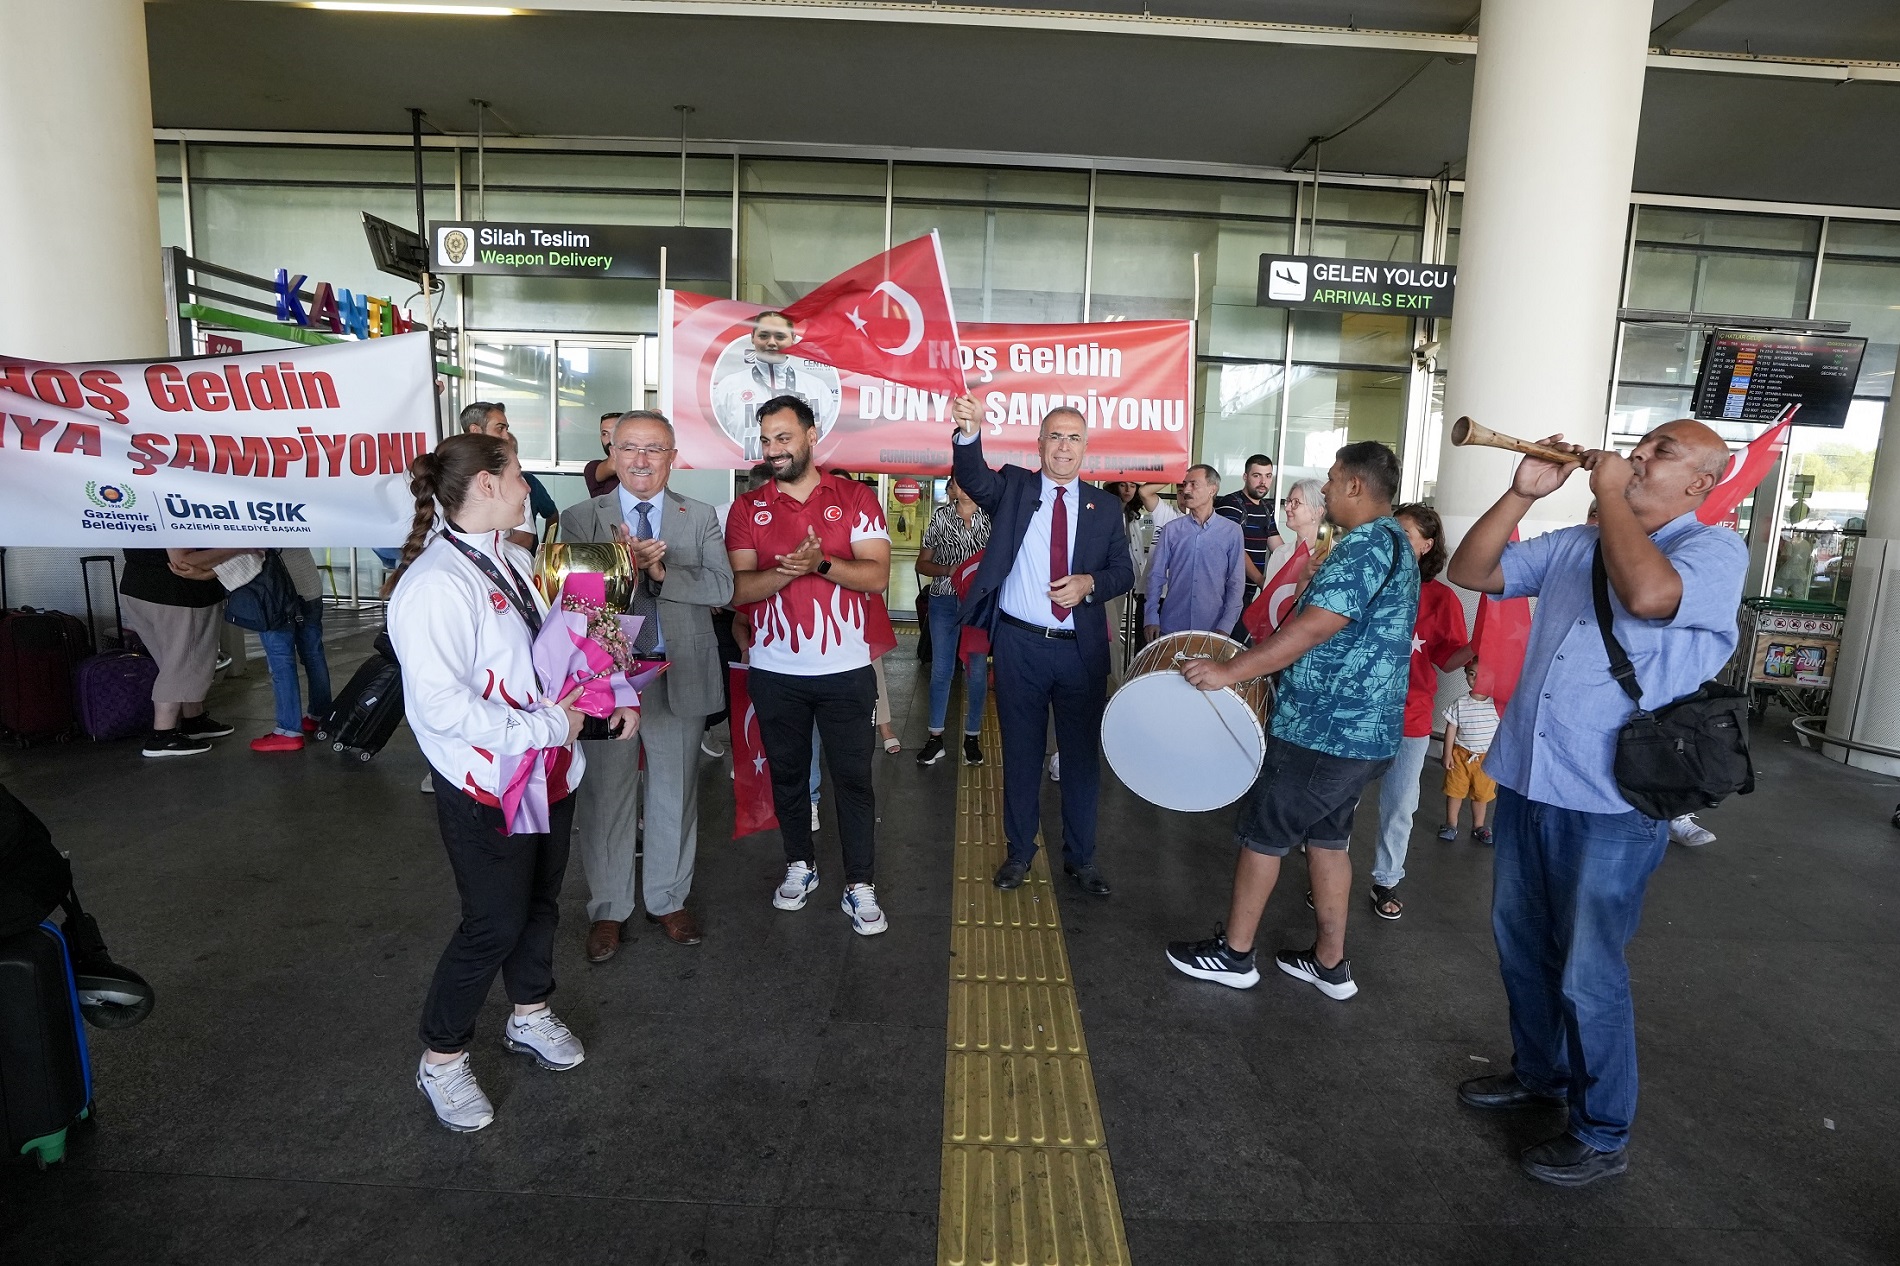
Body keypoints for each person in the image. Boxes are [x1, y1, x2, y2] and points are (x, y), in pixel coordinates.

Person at [1446, 417, 1747, 1187]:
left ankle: (1603, 1131)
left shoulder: (1711, 550)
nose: (1639, 457)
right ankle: (1540, 1075)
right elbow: (1472, 571)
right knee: (1521, 945)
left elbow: (1647, 595)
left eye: (1661, 454)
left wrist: (1611, 488)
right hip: (1529, 780)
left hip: (1614, 802)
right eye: (1637, 447)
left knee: (1588, 969)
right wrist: (1519, 496)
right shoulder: (1578, 545)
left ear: (1700, 485)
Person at [385, 432, 639, 1134]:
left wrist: (605, 693)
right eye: (520, 473)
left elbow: (554, 650)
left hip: (542, 776)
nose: (529, 486)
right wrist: (551, 729)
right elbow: (440, 712)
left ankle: (529, 1012)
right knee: (490, 923)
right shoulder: (435, 585)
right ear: (489, 486)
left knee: (538, 905)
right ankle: (441, 1056)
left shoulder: (513, 560)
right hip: (488, 785)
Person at [1164, 441, 1417, 1002]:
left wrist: (1229, 671)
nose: (1324, 491)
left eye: (1331, 480)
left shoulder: (1364, 547)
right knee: (1327, 840)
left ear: (1355, 485)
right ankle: (1330, 964)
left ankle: (1234, 955)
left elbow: (1311, 630)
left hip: (1323, 730)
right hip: (1365, 734)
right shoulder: (1395, 541)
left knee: (1263, 834)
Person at [560, 410, 734, 958]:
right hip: (608, 680)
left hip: (675, 670)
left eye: (654, 449)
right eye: (630, 448)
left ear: (672, 456)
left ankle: (666, 898)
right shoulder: (580, 517)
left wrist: (661, 574)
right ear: (612, 453)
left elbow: (722, 588)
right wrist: (621, 568)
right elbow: (573, 603)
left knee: (674, 790)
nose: (640, 460)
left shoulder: (698, 514)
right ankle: (608, 908)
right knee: (605, 795)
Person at [949, 396, 1133, 897]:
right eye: (1056, 436)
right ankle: (1019, 852)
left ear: (1085, 448)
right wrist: (969, 432)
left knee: (1079, 759)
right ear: (1040, 444)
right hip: (1020, 647)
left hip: (1079, 651)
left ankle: (1082, 858)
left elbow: (1125, 571)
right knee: (1023, 754)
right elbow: (972, 476)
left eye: (1074, 437)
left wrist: (1090, 583)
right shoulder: (1014, 488)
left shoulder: (1105, 506)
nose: (1064, 446)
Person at [725, 394, 894, 936]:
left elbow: (877, 577)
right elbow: (740, 588)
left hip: (846, 671)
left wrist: (820, 561)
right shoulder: (748, 508)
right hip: (776, 671)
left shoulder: (856, 497)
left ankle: (860, 883)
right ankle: (800, 863)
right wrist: (791, 572)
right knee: (790, 776)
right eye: (766, 439)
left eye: (784, 437)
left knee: (853, 780)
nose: (773, 449)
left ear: (811, 435)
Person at [1366, 503, 1472, 919]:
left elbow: (1447, 660)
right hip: (1360, 713)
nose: (1394, 537)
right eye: (1391, 529)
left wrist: (1484, 643)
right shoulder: (1369, 581)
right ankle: (1325, 876)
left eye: (1405, 533)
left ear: (1427, 546)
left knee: (1399, 804)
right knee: (1341, 800)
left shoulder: (1441, 598)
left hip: (1409, 716)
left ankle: (1386, 878)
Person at [119, 550, 233, 758]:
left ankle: (194, 721)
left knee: (175, 661)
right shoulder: (173, 516)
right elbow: (182, 560)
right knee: (180, 664)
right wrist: (242, 547)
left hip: (138, 586)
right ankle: (163, 735)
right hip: (178, 593)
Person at [915, 477, 991, 767]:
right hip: (944, 600)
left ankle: (972, 737)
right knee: (941, 670)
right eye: (960, 483)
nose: (967, 488)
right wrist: (949, 569)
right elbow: (921, 563)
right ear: (952, 489)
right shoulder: (941, 518)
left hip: (977, 605)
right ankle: (935, 738)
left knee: (976, 670)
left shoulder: (991, 518)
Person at [711, 312, 841, 461]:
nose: (771, 342)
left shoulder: (816, 387)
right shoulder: (728, 387)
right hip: (744, 475)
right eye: (764, 336)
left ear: (793, 339)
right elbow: (719, 441)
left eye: (780, 336)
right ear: (753, 337)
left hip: (798, 477)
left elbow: (827, 439)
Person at [1144, 465, 1245, 641]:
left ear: (1212, 490)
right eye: (1184, 485)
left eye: (1193, 484)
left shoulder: (1231, 532)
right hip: (1172, 626)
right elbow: (1156, 576)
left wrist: (1226, 625)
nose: (1186, 490)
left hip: (1213, 628)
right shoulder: (1172, 530)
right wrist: (1151, 616)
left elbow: (1236, 583)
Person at [1214, 452, 1285, 635]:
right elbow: (1235, 551)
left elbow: (1279, 549)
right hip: (1225, 593)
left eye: (1268, 476)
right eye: (1257, 475)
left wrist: (1300, 564)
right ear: (1245, 477)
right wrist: (1263, 581)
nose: (1263, 482)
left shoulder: (1266, 508)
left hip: (1249, 594)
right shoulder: (1231, 504)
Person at [1438, 662, 1499, 843]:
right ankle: (1451, 824)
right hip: (1460, 756)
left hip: (1485, 759)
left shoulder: (1496, 705)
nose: (1476, 679)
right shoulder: (1460, 703)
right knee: (1454, 791)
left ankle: (1479, 826)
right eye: (1471, 674)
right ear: (1466, 676)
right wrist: (1447, 754)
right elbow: (1451, 729)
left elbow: (1501, 731)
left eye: (1482, 675)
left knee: (1482, 794)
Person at [584, 411, 622, 498]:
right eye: (605, 434)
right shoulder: (593, 467)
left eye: (616, 432)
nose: (610, 439)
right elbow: (612, 464)